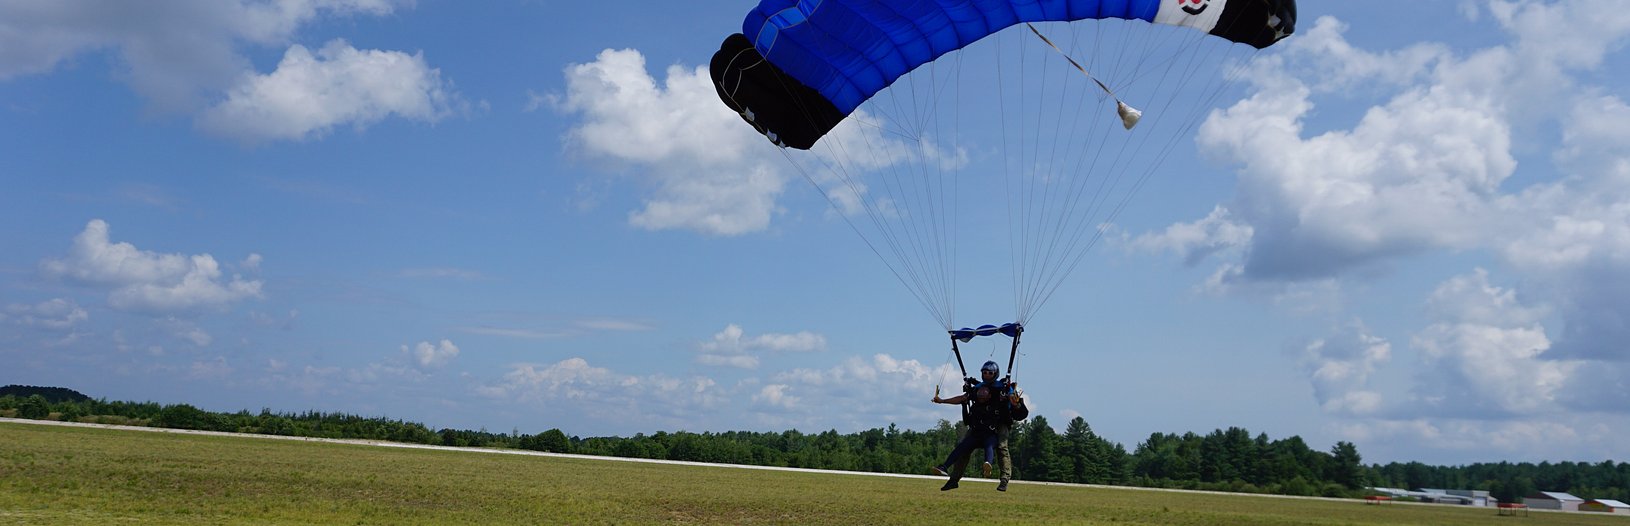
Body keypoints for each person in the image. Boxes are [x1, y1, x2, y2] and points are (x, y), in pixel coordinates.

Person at [931, 360, 1028, 491]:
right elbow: (962, 398)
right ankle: (953, 480)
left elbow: (1014, 402)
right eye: (984, 372)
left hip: (999, 423)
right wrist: (942, 401)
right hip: (980, 424)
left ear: (995, 374)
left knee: (1001, 447)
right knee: (964, 447)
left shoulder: (1004, 388)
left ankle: (1004, 480)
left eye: (990, 373)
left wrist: (1015, 404)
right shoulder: (977, 387)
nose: (987, 375)